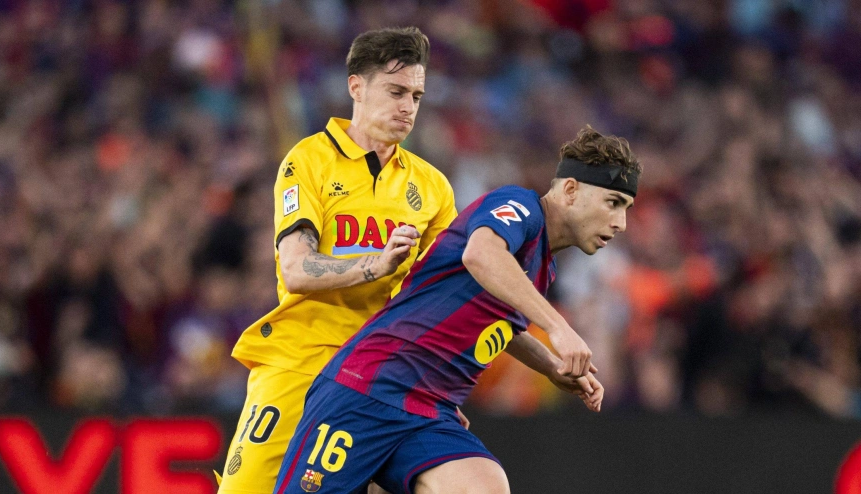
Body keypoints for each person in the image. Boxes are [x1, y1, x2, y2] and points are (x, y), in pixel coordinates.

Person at [274, 126, 641, 494]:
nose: (620, 223)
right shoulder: (520, 207)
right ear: (571, 190)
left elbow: (500, 327)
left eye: (626, 209)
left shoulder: (541, 266)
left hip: (430, 412)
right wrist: (558, 327)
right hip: (370, 389)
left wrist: (552, 367)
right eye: (613, 202)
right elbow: (480, 254)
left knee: (484, 487)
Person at [216, 27, 458, 494]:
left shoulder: (432, 188)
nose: (408, 107)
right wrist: (376, 264)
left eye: (416, 95)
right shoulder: (308, 161)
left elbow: (440, 298)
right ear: (356, 87)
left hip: (380, 374)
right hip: (301, 358)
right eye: (395, 91)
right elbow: (296, 268)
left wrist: (437, 385)